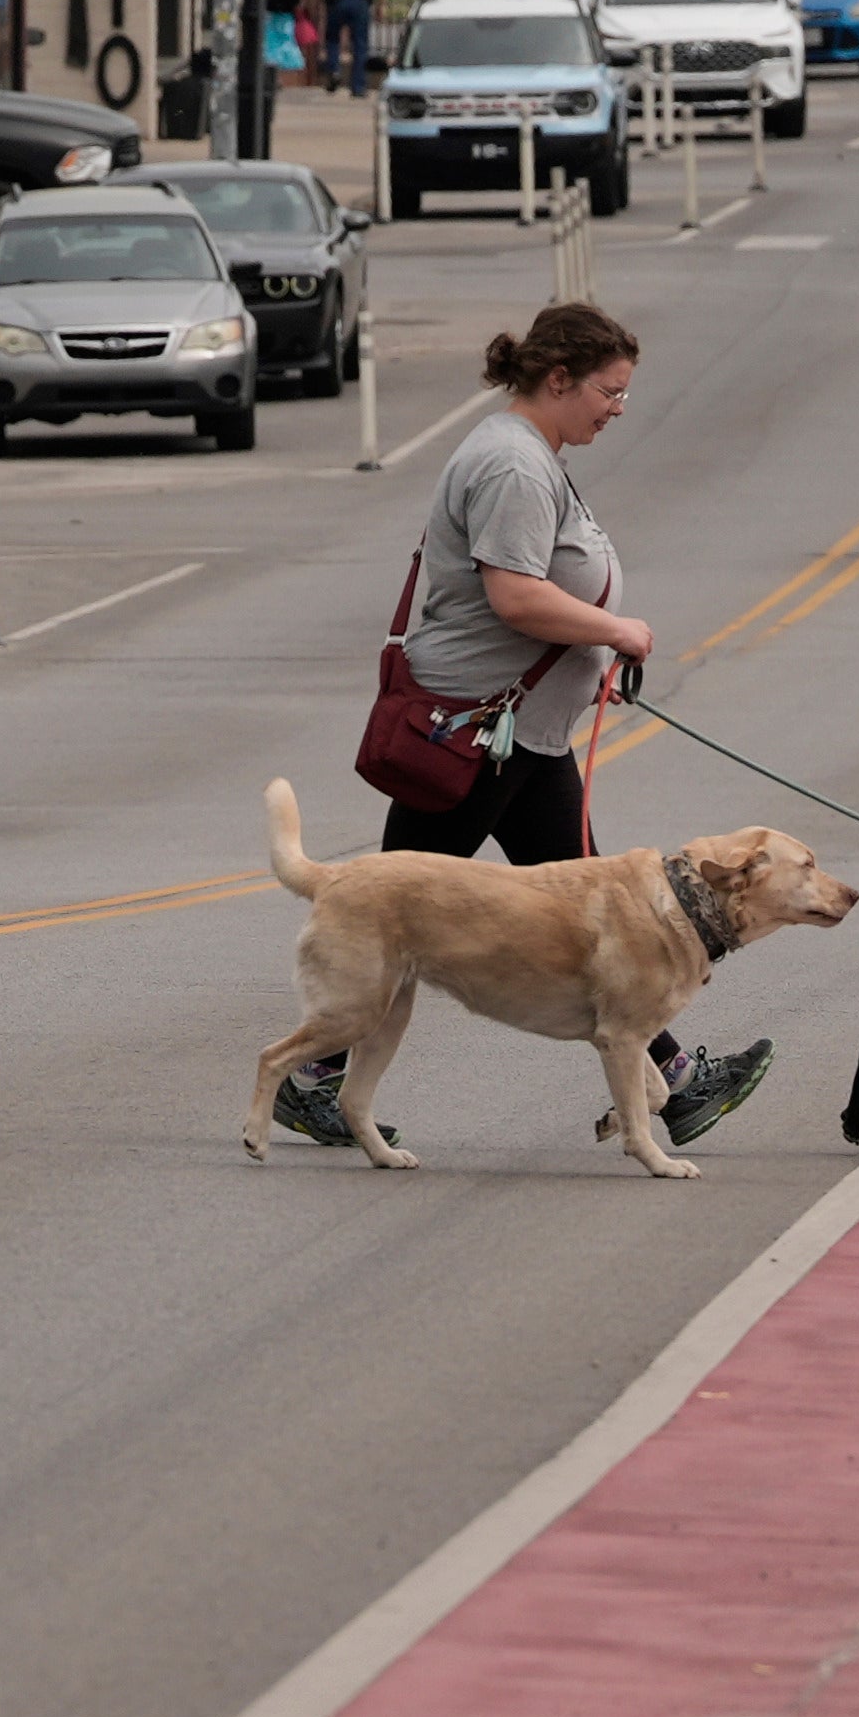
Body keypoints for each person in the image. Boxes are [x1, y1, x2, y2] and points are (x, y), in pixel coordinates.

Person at [280, 298, 773, 1155]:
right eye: (609, 393)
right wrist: (613, 630)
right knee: (392, 908)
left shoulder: (528, 450)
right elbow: (513, 594)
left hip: (515, 735)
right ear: (557, 380)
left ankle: (676, 1082)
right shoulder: (511, 464)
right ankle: (309, 1078)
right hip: (476, 738)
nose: (616, 409)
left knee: (590, 903)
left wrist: (590, 653)